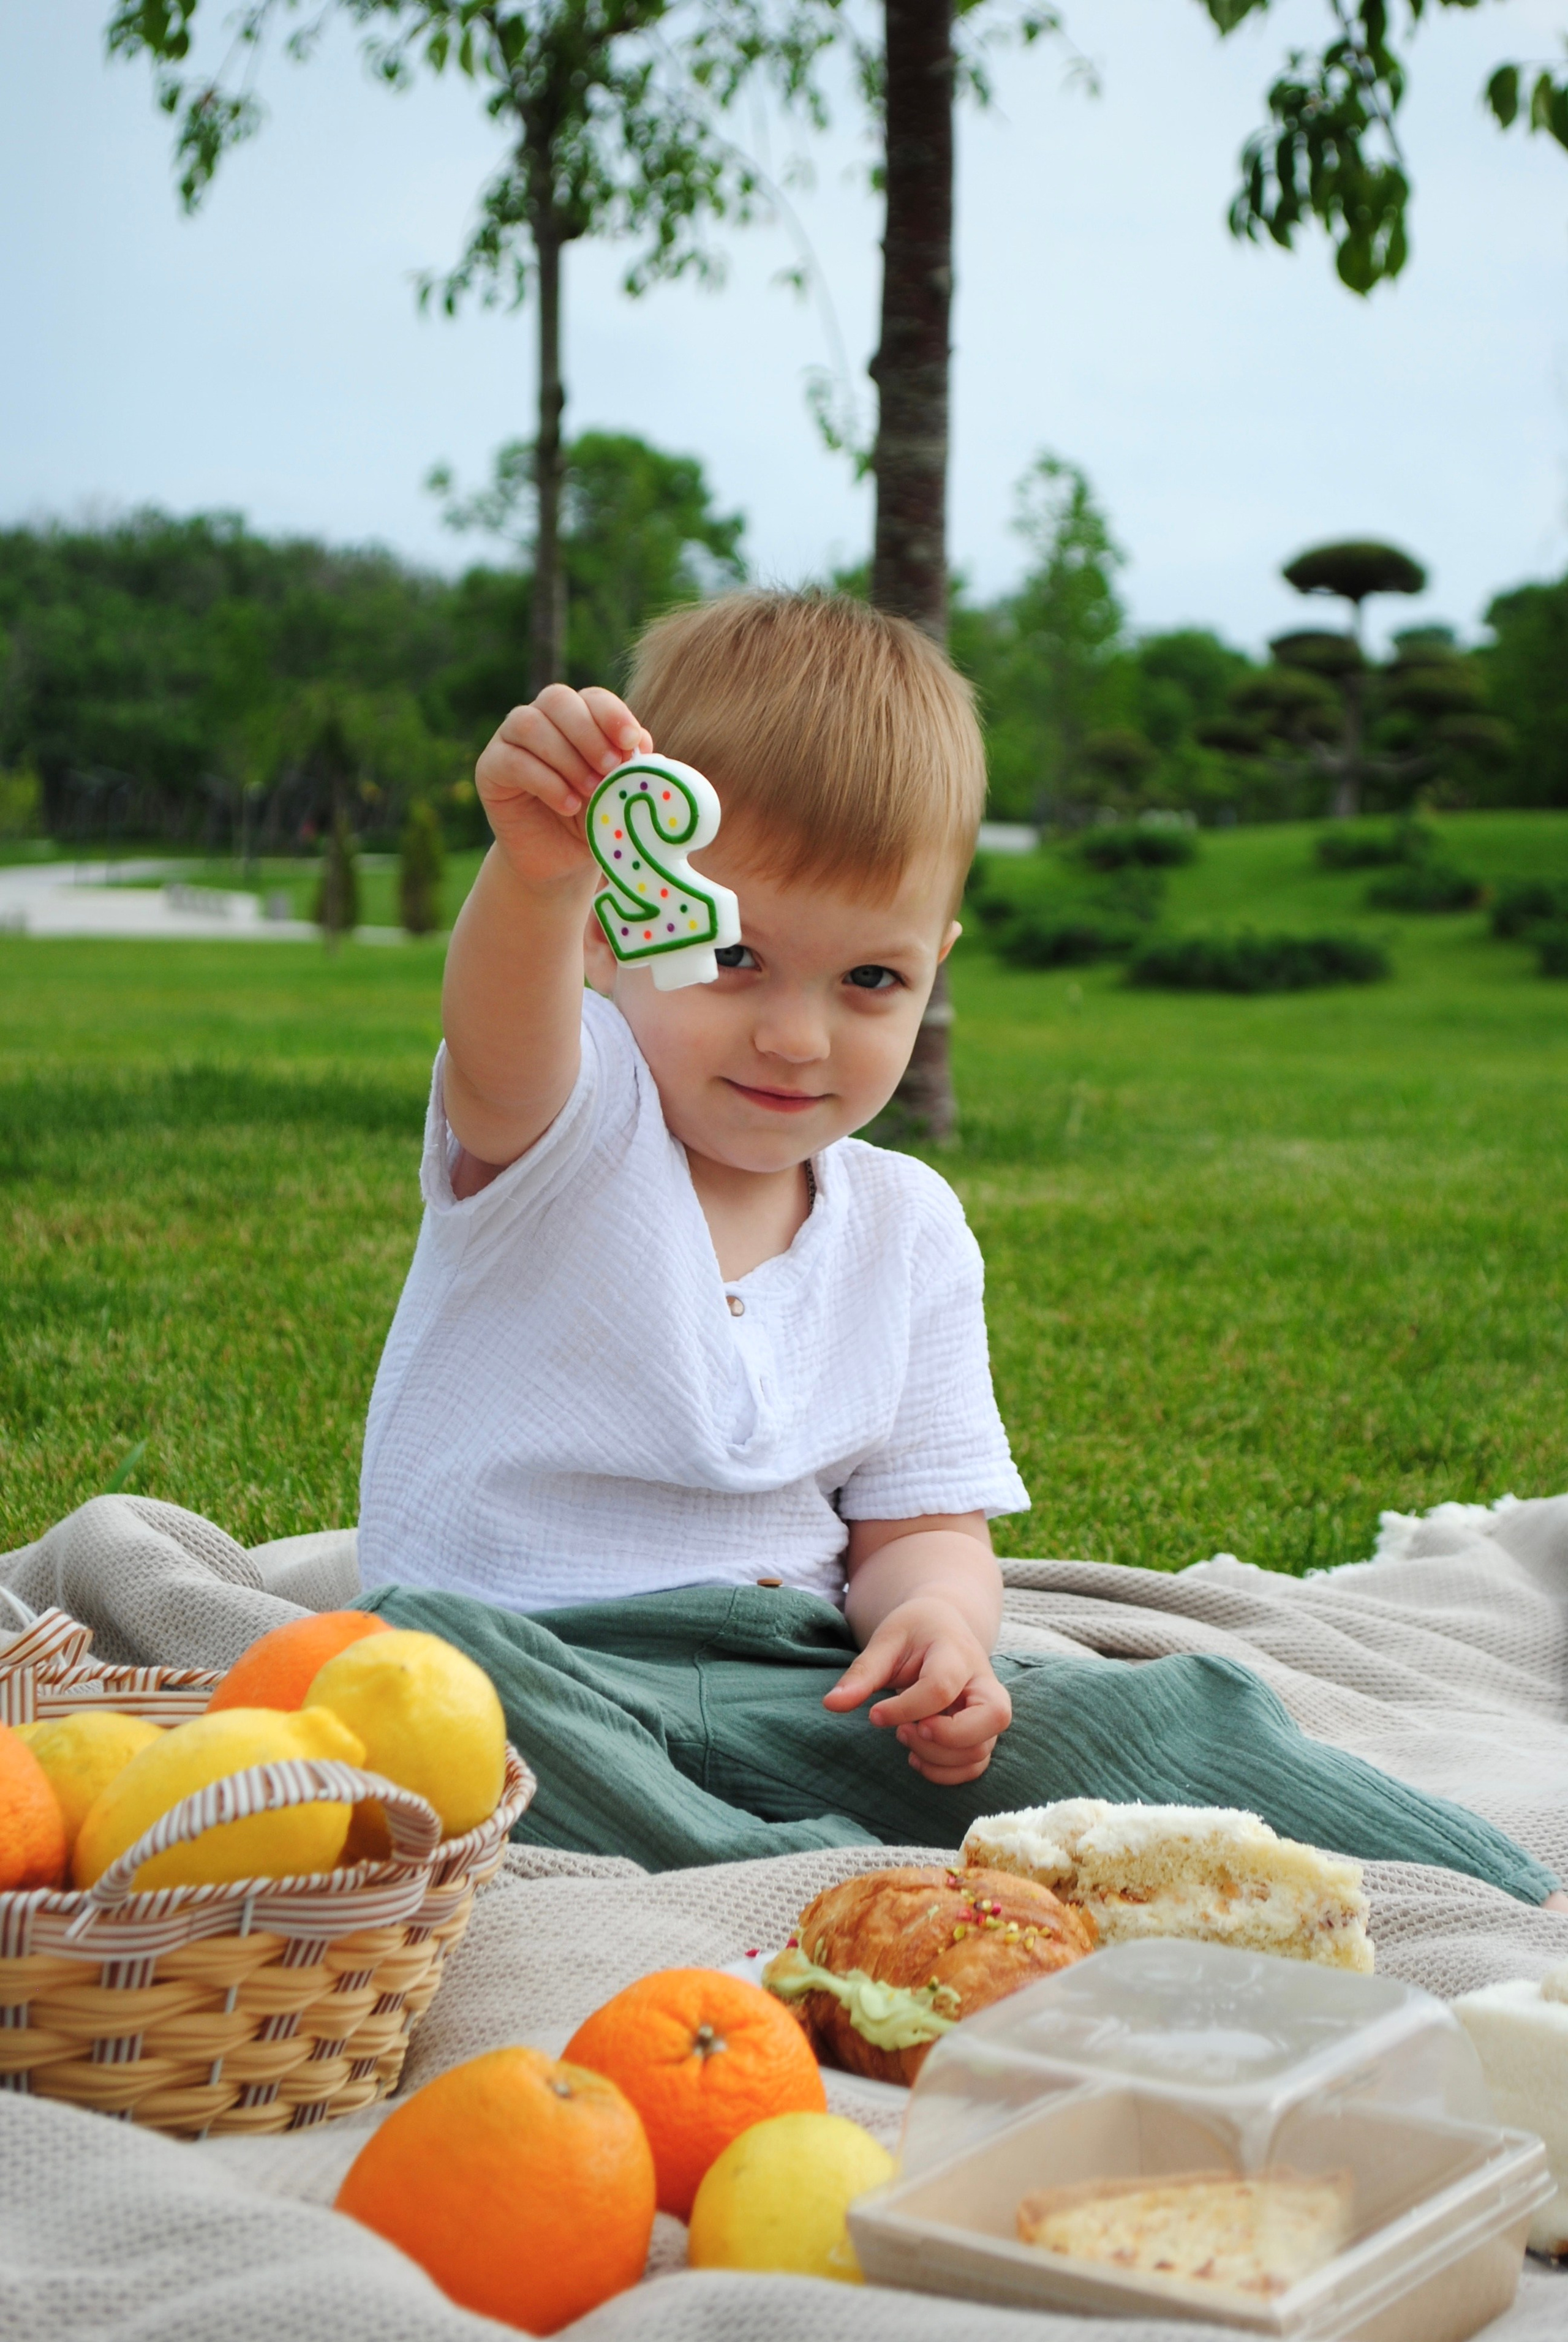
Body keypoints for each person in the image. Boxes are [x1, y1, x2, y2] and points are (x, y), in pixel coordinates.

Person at [356, 592, 1561, 1902]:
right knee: (420, 1685)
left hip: (802, 1674)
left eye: (868, 981)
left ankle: (1491, 1892)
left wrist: (937, 1629)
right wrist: (533, 877)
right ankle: (804, 1891)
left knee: (1150, 1719)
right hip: (541, 1658)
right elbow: (497, 1044)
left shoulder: (906, 1227)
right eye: (738, 957)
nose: (798, 1036)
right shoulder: (571, 1112)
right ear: (615, 926)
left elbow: (917, 1523)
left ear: (934, 965)